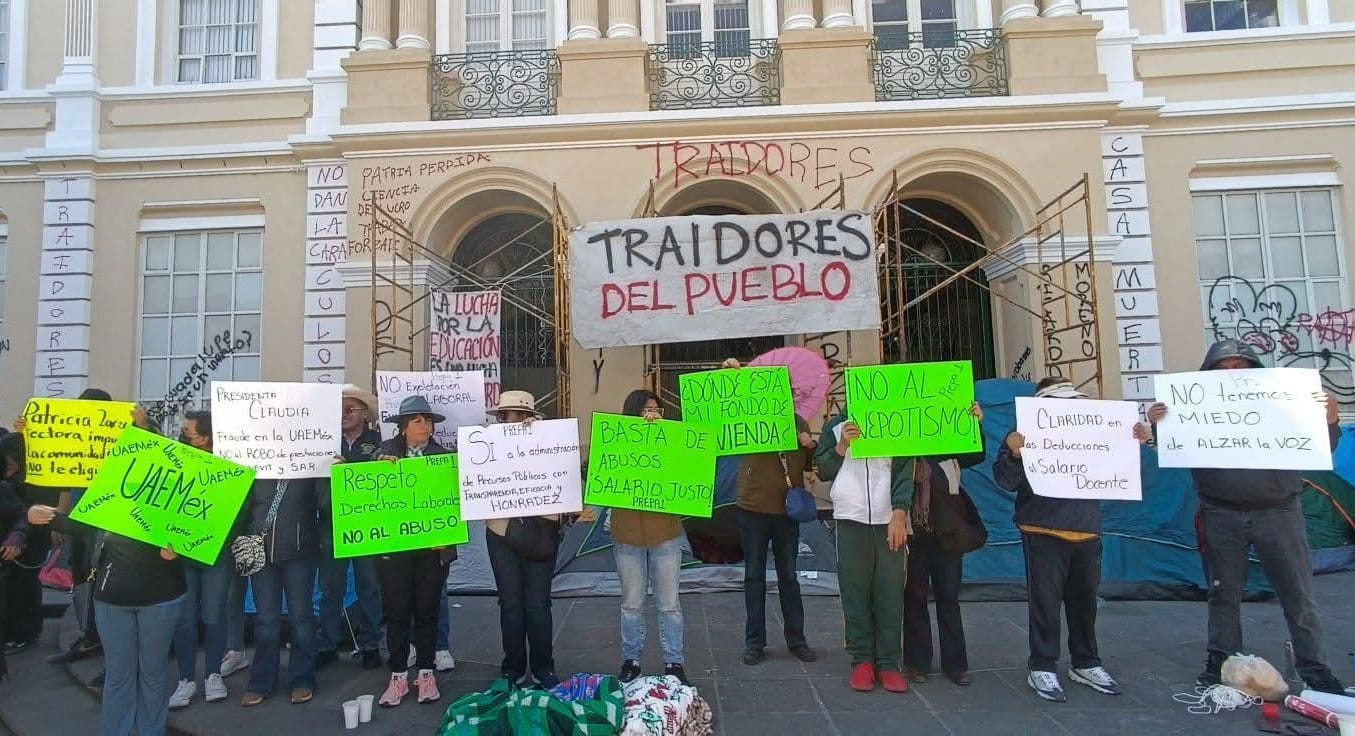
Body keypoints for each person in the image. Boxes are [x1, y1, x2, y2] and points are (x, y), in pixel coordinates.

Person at [1146, 339, 1348, 694]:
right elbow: (1177, 447)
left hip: (1279, 510)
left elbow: (1323, 446)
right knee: (1223, 593)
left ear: (1256, 371)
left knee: (1298, 594)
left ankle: (1315, 667)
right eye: (1222, 369)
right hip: (1219, 512)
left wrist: (1329, 421)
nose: (1231, 375)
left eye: (1240, 367)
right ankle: (1220, 659)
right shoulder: (1198, 404)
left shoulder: (1283, 403)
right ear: (1208, 376)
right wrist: (1162, 423)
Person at [994, 377, 1150, 702]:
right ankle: (1042, 665)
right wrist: (1014, 453)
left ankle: (1085, 661)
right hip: (1041, 529)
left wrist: (1136, 439)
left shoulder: (1098, 429)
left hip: (1087, 529)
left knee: (1085, 602)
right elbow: (1005, 481)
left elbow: (1121, 468)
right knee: (1045, 603)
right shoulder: (1021, 432)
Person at [26, 502, 185, 736]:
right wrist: (45, 516)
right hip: (112, 600)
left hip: (160, 598)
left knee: (153, 672)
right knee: (119, 673)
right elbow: (79, 523)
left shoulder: (175, 498)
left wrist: (180, 552)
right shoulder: (113, 496)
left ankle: (152, 732)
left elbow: (201, 540)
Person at [724, 359, 817, 667]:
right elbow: (725, 407)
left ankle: (797, 639)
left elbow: (809, 467)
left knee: (789, 577)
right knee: (754, 577)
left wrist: (810, 446)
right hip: (752, 509)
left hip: (786, 512)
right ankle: (755, 643)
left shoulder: (800, 424)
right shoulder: (748, 417)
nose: (785, 397)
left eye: (788, 392)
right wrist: (733, 376)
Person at [374, 396, 457, 707]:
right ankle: (397, 676)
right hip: (394, 549)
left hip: (431, 550)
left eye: (429, 420)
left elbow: (453, 500)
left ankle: (426, 673)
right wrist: (376, 472)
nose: (426, 426)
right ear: (404, 427)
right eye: (419, 420)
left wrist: (447, 539)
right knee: (396, 613)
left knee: (427, 611)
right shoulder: (383, 453)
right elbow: (364, 496)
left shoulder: (443, 457)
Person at [902, 405, 987, 687]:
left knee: (949, 597)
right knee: (914, 598)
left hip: (948, 534)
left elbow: (977, 453)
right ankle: (917, 662)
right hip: (914, 533)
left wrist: (975, 424)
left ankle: (956, 665)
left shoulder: (951, 442)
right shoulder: (902, 444)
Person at [484, 390, 561, 689]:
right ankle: (512, 667)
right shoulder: (487, 444)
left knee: (538, 604)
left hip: (541, 530)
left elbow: (563, 477)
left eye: (512, 415)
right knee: (511, 604)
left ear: (530, 417)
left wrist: (537, 439)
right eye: (503, 415)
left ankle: (543, 668)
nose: (506, 420)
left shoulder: (549, 442)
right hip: (500, 531)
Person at [611, 390, 688, 686]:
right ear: (632, 413)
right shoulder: (616, 442)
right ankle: (631, 661)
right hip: (627, 535)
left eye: (657, 409)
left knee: (669, 604)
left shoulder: (672, 441)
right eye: (646, 409)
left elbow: (688, 468)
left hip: (666, 533)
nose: (652, 414)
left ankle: (674, 663)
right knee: (632, 604)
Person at [167, 411, 238, 708]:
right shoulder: (177, 463)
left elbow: (238, 507)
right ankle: (185, 679)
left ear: (207, 437)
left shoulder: (228, 465)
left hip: (215, 554)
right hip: (182, 553)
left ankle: (212, 675)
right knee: (183, 619)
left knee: (213, 615)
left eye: (190, 433)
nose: (185, 436)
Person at [316, 385, 385, 672]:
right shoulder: (324, 442)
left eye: (350, 409)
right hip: (331, 524)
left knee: (369, 587)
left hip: (366, 525)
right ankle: (326, 644)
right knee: (330, 589)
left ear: (364, 414)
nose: (343, 414)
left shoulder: (380, 443)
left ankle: (370, 645)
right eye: (339, 409)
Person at [237, 474, 322, 707]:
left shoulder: (310, 465)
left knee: (301, 617)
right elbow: (241, 505)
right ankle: (261, 682)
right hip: (260, 552)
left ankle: (302, 679)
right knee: (265, 619)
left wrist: (332, 473)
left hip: (300, 551)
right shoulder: (256, 465)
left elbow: (325, 503)